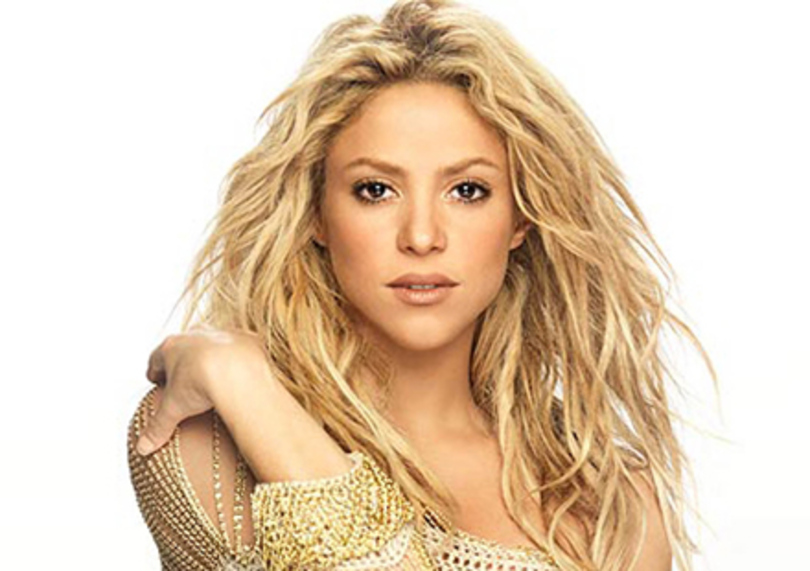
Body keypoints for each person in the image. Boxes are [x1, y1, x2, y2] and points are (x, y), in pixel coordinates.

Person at [126, 1, 715, 570]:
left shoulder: (609, 504)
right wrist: (249, 390)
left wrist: (245, 383)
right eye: (376, 190)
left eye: (467, 191)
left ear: (521, 219)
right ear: (316, 214)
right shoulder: (203, 439)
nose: (423, 236)